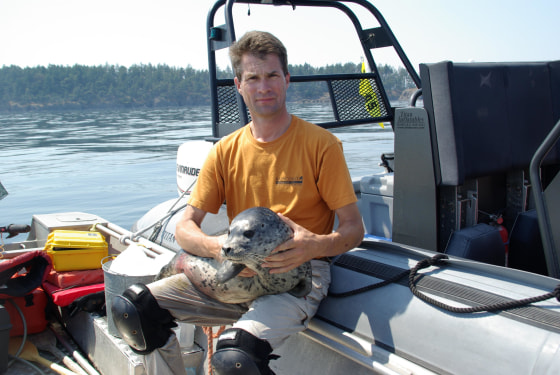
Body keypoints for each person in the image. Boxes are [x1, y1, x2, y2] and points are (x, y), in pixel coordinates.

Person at [112, 30, 364, 375]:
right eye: (253, 78)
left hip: (296, 277)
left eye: (272, 75)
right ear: (239, 85)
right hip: (231, 272)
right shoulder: (224, 151)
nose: (264, 87)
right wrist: (220, 249)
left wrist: (316, 245)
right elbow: (185, 227)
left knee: (235, 359)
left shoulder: (322, 145)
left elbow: (354, 229)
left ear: (287, 79)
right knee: (134, 310)